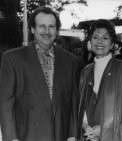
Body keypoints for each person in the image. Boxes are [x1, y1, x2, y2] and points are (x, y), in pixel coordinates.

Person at [0, 6, 81, 141]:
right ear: (32, 29)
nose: (47, 31)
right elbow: (5, 103)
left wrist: (72, 135)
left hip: (59, 135)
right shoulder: (12, 59)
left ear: (57, 30)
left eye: (51, 26)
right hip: (27, 135)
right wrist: (11, 138)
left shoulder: (71, 61)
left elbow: (73, 101)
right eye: (42, 26)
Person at [78, 19, 122, 141]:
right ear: (90, 42)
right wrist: (85, 126)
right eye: (95, 37)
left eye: (105, 38)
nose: (99, 42)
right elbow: (81, 107)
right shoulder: (85, 71)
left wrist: (104, 129)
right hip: (90, 136)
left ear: (112, 44)